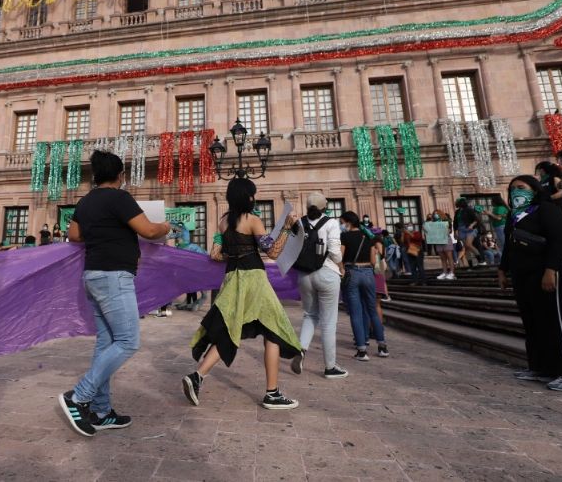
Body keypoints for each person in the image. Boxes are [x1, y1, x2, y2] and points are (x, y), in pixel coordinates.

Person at [59, 150, 171, 437]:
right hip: (113, 277)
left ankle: (101, 410)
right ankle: (78, 396)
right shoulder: (120, 198)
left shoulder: (86, 201)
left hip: (93, 275)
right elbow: (148, 231)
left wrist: (102, 230)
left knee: (106, 343)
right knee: (129, 341)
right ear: (120, 175)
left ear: (95, 175)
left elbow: (74, 235)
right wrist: (166, 226)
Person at [182, 177, 302, 410]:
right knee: (274, 330)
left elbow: (216, 254)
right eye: (252, 194)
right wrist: (287, 227)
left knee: (230, 329)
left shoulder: (224, 221)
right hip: (254, 279)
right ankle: (272, 393)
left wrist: (236, 253)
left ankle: (197, 376)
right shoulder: (253, 220)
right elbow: (274, 252)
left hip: (232, 278)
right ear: (247, 197)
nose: (253, 198)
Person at [497, 175, 562, 392]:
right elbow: (509, 244)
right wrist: (502, 269)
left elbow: (559, 238)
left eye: (521, 187)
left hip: (552, 269)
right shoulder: (514, 215)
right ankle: (540, 367)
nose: (516, 191)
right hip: (524, 273)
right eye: (513, 188)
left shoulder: (546, 209)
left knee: (558, 321)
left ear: (534, 190)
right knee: (534, 321)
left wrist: (550, 269)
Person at [289, 192, 347, 379]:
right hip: (327, 273)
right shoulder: (331, 223)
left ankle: (301, 349)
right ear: (325, 207)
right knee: (329, 322)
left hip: (304, 275)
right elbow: (335, 254)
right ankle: (330, 366)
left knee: (309, 315)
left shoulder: (300, 223)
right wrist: (339, 263)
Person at [340, 211, 388, 361]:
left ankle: (362, 350)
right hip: (368, 273)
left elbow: (340, 256)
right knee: (373, 309)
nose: (342, 225)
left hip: (352, 272)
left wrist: (341, 268)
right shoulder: (368, 236)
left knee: (356, 312)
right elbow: (375, 260)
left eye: (342, 222)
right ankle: (382, 346)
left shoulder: (345, 236)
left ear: (348, 222)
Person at [425, 210, 455, 280]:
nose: (435, 215)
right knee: (442, 258)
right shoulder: (433, 222)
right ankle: (444, 272)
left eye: (437, 213)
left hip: (446, 239)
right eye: (434, 214)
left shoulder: (446, 220)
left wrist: (446, 230)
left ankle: (452, 273)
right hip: (438, 240)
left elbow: (450, 230)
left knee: (449, 257)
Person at [454, 198, 482, 267]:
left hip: (470, 229)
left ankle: (480, 259)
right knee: (466, 248)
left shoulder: (469, 209)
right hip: (461, 229)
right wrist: (455, 231)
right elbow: (455, 222)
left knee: (468, 244)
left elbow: (476, 219)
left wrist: (472, 225)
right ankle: (470, 264)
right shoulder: (457, 212)